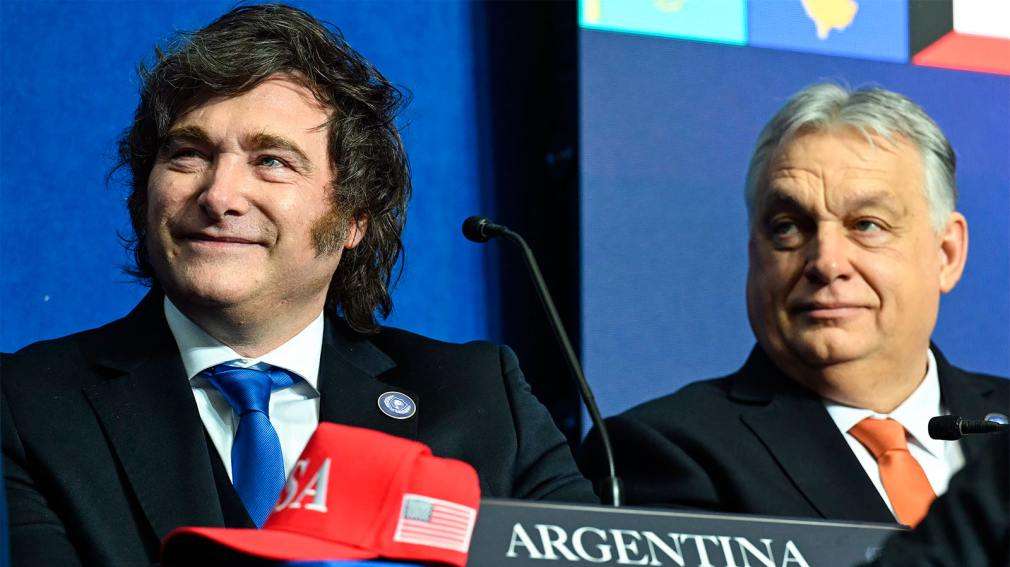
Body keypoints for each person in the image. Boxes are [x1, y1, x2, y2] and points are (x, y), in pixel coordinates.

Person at [2, 5, 595, 566]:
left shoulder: (482, 401)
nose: (219, 195)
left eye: (272, 161)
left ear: (354, 217)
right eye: (188, 154)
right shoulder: (27, 407)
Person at [579, 83, 1009, 525]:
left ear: (946, 254)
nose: (826, 263)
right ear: (754, 253)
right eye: (787, 228)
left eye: (866, 225)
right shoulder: (663, 452)